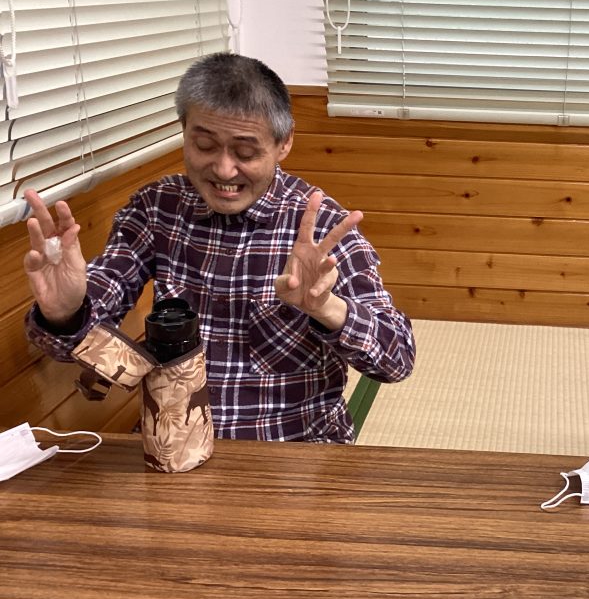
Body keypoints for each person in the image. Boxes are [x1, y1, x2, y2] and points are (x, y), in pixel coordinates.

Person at [23, 52, 415, 443]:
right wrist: (65, 312)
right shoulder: (157, 208)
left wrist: (326, 309)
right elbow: (74, 337)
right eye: (205, 145)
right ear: (184, 131)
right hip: (172, 443)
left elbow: (396, 359)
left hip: (296, 448)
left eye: (245, 153)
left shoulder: (321, 226)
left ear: (284, 143)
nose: (225, 170)